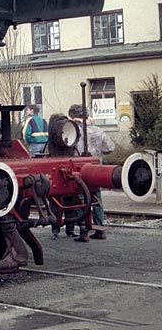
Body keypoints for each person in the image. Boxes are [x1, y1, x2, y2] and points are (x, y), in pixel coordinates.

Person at [68, 103, 115, 241]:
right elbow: (110, 147)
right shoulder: (98, 130)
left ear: (73, 116)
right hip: (96, 170)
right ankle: (99, 229)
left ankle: (84, 231)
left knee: (81, 200)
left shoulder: (73, 131)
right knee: (97, 200)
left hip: (79, 170)